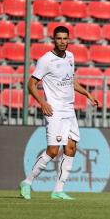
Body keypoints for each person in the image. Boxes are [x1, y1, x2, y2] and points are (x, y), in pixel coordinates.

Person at [19, 26, 98, 200]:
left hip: (69, 109)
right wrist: (42, 102)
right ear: (53, 39)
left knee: (71, 147)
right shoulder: (45, 60)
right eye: (59, 38)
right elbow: (31, 84)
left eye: (65, 38)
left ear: (69, 39)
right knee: (53, 151)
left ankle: (58, 190)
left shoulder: (70, 57)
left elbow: (71, 81)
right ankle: (28, 182)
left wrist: (88, 94)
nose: (62, 41)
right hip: (53, 110)